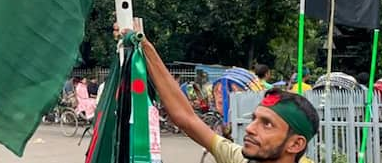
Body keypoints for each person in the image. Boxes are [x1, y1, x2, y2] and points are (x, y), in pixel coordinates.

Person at [119, 25, 318, 163]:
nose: (250, 128)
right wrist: (143, 47)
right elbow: (187, 119)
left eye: (267, 124)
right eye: (255, 119)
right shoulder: (240, 158)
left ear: (296, 144)